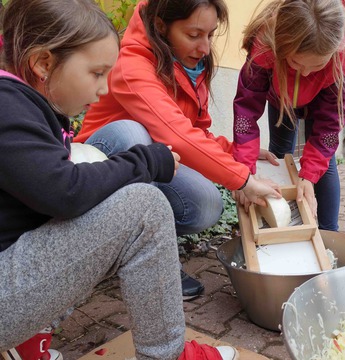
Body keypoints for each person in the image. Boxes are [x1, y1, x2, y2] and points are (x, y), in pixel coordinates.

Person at [0, 0, 238, 359]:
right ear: (43, 63)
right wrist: (143, 160)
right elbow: (65, 192)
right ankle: (166, 354)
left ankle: (29, 336)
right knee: (143, 208)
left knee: (90, 177)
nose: (104, 89)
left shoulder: (21, 100)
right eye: (97, 74)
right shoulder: (7, 106)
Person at [74, 0, 281, 299]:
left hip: (153, 160)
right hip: (103, 158)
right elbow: (174, 132)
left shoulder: (191, 65)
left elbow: (194, 130)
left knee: (206, 204)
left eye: (210, 35)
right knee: (134, 134)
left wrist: (233, 150)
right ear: (161, 26)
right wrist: (243, 180)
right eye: (194, 35)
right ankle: (149, 260)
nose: (205, 47)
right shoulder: (131, 63)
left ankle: (132, 247)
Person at [231, 0, 345, 231]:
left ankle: (329, 233)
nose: (307, 72)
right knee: (279, 155)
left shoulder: (344, 54)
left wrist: (308, 176)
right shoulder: (265, 45)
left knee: (324, 164)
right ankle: (278, 224)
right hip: (280, 99)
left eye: (317, 64)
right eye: (296, 63)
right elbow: (246, 112)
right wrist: (244, 172)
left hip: (322, 97)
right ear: (281, 46)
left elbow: (330, 124)